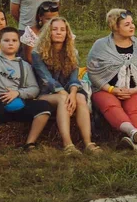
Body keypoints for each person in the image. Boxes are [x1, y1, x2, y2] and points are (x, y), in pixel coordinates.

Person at [0, 26, 53, 154]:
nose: (10, 43)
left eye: (14, 40)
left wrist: (17, 93)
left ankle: (30, 143)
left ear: (19, 44)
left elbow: (34, 89)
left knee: (44, 107)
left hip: (18, 104)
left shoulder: (25, 65)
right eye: (6, 40)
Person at [88, 9, 137, 150]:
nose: (132, 26)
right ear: (115, 27)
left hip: (135, 89)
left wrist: (134, 90)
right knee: (111, 106)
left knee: (135, 111)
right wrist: (113, 90)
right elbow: (93, 73)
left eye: (132, 23)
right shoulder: (100, 45)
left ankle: (134, 142)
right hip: (106, 89)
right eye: (127, 24)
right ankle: (133, 133)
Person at [32, 17, 98, 154]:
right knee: (63, 99)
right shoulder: (37, 53)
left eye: (62, 30)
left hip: (67, 91)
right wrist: (65, 94)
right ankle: (68, 144)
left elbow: (74, 77)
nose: (59, 32)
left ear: (67, 33)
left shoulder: (72, 52)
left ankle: (88, 142)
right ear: (48, 32)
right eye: (54, 29)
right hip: (46, 93)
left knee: (80, 98)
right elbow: (47, 80)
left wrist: (73, 93)